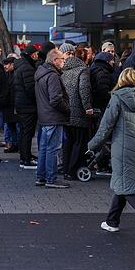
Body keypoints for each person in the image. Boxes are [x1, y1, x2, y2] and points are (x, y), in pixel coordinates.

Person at [89, 68, 135, 237]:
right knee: (123, 180)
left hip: (121, 145)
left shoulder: (117, 97)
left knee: (126, 184)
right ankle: (112, 221)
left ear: (121, 80)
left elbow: (106, 125)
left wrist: (92, 145)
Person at [34, 48, 70, 189]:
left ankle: (41, 177)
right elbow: (55, 99)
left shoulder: (41, 73)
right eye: (62, 59)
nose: (64, 61)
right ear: (55, 60)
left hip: (44, 116)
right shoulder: (53, 75)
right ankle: (51, 178)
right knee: (52, 149)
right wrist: (67, 108)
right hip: (53, 117)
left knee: (44, 148)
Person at [61, 46, 94, 180]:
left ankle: (66, 169)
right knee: (79, 142)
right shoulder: (83, 70)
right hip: (79, 112)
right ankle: (74, 169)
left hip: (66, 111)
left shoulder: (64, 71)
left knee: (68, 142)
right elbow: (84, 90)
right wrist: (88, 107)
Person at [13, 45, 39, 169]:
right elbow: (30, 89)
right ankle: (26, 159)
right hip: (28, 106)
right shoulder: (27, 68)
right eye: (35, 54)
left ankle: (25, 156)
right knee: (27, 133)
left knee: (24, 132)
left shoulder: (20, 66)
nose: (37, 56)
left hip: (22, 104)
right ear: (31, 54)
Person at [1, 57, 20, 154]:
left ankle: (18, 145)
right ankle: (14, 144)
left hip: (15, 104)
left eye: (7, 64)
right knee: (11, 126)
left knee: (17, 126)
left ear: (12, 64)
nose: (5, 66)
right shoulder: (7, 74)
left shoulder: (16, 73)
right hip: (8, 105)